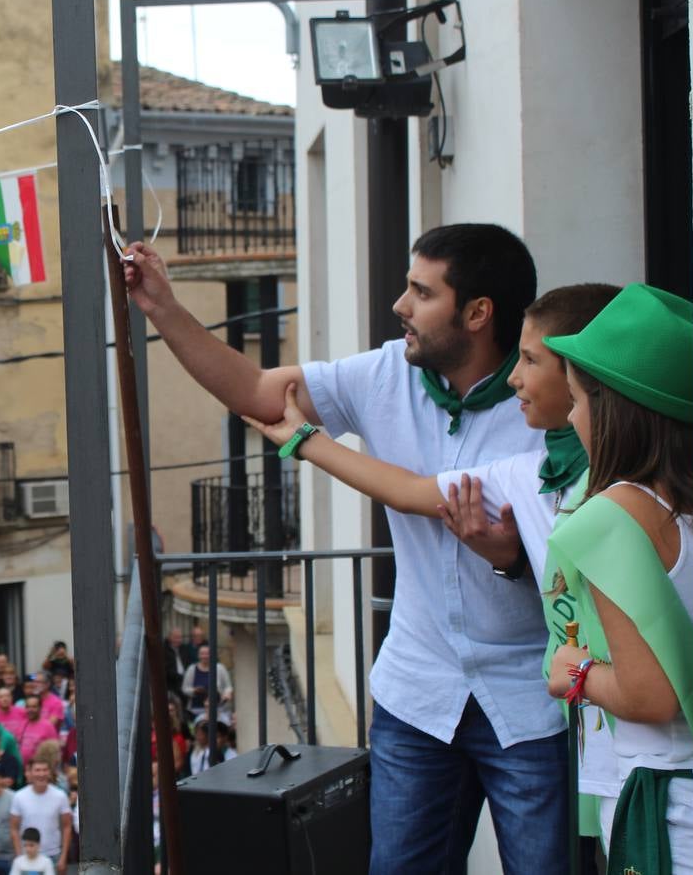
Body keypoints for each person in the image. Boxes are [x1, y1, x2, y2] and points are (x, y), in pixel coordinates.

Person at [124, 225, 565, 873]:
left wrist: (511, 557)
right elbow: (255, 391)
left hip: (528, 700)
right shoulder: (385, 372)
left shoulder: (550, 408)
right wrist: (161, 305)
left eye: (421, 292)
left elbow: (561, 558)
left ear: (477, 314)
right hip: (417, 695)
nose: (401, 306)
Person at [245, 283, 623, 857]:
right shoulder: (532, 471)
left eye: (532, 361)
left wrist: (577, 676)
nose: (516, 379)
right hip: (566, 716)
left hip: (598, 723)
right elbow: (408, 492)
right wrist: (305, 439)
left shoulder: (632, 490)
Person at [533, 285, 693, 874]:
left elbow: (649, 695)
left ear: (614, 410)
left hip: (669, 808)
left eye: (577, 401)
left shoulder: (614, 514)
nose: (571, 417)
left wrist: (573, 670)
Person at [8, 762, 69, 874]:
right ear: (30, 773)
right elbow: (14, 828)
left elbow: (66, 827)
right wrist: (19, 855)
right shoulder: (19, 796)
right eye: (37, 770)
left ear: (50, 773)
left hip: (53, 855)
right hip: (27, 855)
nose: (41, 774)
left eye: (45, 770)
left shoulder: (60, 796)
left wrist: (63, 857)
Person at [179, 647, 231, 721]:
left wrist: (226, 694)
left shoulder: (220, 668)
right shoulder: (192, 669)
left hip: (217, 709)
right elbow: (184, 688)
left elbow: (228, 687)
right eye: (202, 654)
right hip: (196, 709)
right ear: (198, 655)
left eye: (207, 654)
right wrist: (194, 690)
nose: (205, 656)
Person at [11, 699, 57, 771]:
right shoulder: (22, 724)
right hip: (22, 770)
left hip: (40, 772)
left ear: (40, 708)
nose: (30, 710)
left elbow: (55, 751)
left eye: (34, 707)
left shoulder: (48, 726)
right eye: (28, 707)